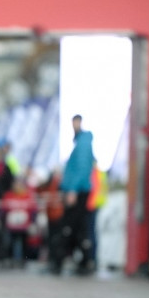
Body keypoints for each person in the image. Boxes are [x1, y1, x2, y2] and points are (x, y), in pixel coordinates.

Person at [55, 114, 94, 273]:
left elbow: (82, 169)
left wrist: (72, 190)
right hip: (77, 190)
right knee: (78, 227)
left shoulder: (83, 143)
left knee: (70, 227)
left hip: (77, 192)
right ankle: (84, 261)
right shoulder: (80, 142)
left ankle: (61, 261)